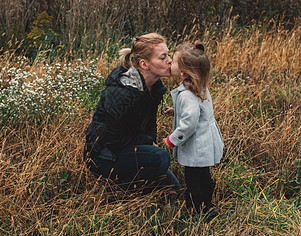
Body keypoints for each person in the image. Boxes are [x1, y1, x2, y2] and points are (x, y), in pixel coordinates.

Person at [84, 33, 180, 192]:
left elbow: (150, 124)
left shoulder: (154, 86)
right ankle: (117, 193)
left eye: (169, 55)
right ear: (144, 64)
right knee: (160, 158)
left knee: (173, 188)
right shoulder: (121, 91)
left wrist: (150, 144)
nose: (170, 60)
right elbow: (112, 138)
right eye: (163, 57)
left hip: (128, 147)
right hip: (105, 156)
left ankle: (139, 181)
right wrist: (149, 144)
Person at [163, 42, 224, 214]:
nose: (169, 63)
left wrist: (171, 140)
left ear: (183, 72)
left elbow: (189, 123)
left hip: (196, 144)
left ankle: (196, 209)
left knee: (192, 179)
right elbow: (198, 111)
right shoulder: (198, 86)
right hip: (205, 140)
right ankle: (207, 204)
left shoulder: (187, 95)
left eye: (173, 62)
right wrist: (176, 112)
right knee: (203, 174)